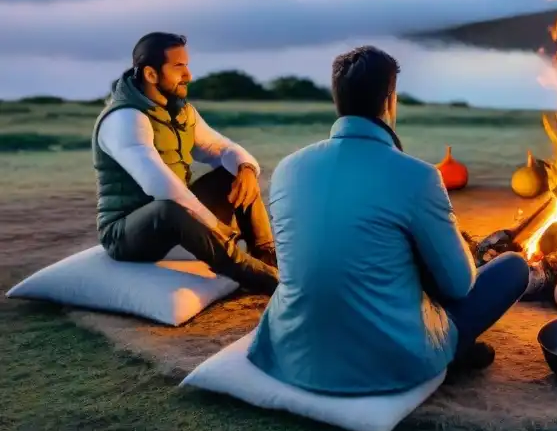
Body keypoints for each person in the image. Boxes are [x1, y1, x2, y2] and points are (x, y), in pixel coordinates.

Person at [247, 45, 529, 395]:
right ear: (389, 101)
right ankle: (452, 353)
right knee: (514, 267)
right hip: (389, 363)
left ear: (339, 100)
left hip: (293, 351)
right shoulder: (418, 177)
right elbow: (458, 286)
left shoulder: (288, 169)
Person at [92, 32, 279, 295]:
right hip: (126, 233)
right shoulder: (124, 119)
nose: (188, 75)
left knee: (233, 173)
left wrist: (246, 169)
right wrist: (213, 226)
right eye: (179, 67)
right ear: (150, 75)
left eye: (187, 65)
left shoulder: (180, 111)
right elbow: (161, 187)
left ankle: (266, 256)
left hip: (178, 216)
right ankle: (256, 276)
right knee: (169, 209)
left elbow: (223, 148)